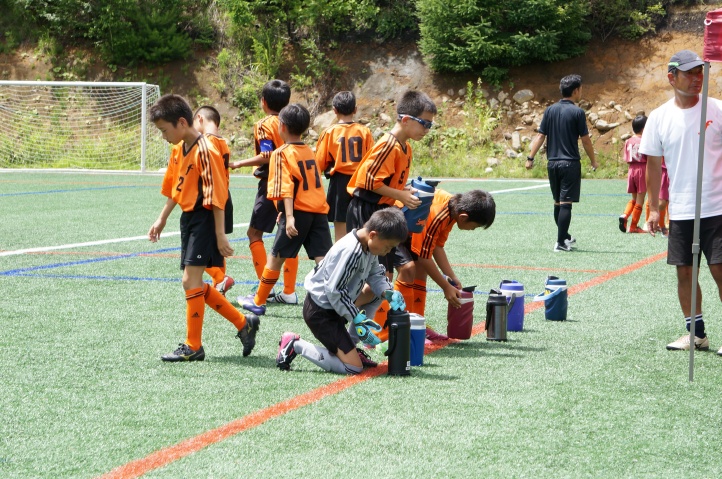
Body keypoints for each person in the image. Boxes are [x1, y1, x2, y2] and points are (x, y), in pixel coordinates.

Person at [148, 94, 259, 362]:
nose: (163, 136)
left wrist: (220, 234)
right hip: (189, 219)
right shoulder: (180, 149)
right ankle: (243, 323)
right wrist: (162, 218)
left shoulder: (206, 150)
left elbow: (217, 194)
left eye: (164, 130)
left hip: (206, 218)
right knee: (193, 281)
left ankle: (194, 345)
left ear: (182, 122)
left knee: (190, 280)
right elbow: (175, 188)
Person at [642, 49, 722, 355]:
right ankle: (696, 334)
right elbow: (652, 164)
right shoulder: (659, 117)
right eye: (689, 73)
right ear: (671, 77)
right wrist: (653, 208)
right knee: (685, 272)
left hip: (717, 207)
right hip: (682, 210)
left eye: (700, 72)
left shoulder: (717, 109)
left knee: (719, 268)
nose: (697, 78)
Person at [345, 90, 437, 338]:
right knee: (376, 283)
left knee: (405, 268)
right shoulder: (387, 145)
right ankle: (337, 311)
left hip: (384, 212)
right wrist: (400, 196)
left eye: (430, 125)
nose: (427, 129)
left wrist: (403, 191)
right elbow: (367, 182)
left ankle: (391, 327)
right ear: (405, 119)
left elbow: (387, 182)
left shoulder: (405, 147)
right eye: (425, 123)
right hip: (367, 211)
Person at [275, 208, 408, 374]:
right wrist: (357, 318)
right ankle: (295, 344)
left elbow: (375, 275)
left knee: (375, 292)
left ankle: (350, 347)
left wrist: (388, 292)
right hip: (321, 312)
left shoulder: (368, 245)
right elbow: (335, 291)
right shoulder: (351, 251)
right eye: (388, 247)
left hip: (336, 305)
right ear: (373, 235)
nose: (387, 252)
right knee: (353, 368)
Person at [240, 103, 333, 316]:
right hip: (319, 211)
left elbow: (286, 187)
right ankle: (332, 302)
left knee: (276, 257)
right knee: (323, 260)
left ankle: (258, 301)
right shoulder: (309, 151)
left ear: (281, 126)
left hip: (298, 212)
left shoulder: (281, 153)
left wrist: (288, 216)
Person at [228, 79, 300, 304]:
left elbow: (267, 155)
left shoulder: (264, 124)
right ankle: (289, 291)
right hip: (294, 181)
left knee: (254, 234)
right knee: (290, 234)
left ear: (263, 102)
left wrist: (239, 163)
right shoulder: (293, 121)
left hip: (273, 182)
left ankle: (265, 289)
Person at [526, 74, 599, 252]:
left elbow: (540, 136)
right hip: (570, 163)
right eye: (580, 89)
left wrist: (530, 158)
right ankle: (560, 242)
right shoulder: (578, 112)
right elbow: (586, 140)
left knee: (558, 203)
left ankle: (564, 236)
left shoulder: (549, 110)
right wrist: (593, 161)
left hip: (552, 163)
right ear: (575, 91)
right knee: (566, 203)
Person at [408, 189, 496, 326]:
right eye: (474, 226)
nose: (472, 230)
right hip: (391, 226)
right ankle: (403, 324)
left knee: (420, 270)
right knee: (406, 270)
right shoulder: (439, 215)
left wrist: (452, 277)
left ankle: (417, 322)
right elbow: (423, 257)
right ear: (463, 217)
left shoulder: (453, 209)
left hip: (408, 230)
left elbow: (437, 246)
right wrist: (446, 287)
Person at [315, 91, 374, 242]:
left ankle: (342, 257)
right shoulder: (365, 131)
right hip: (360, 183)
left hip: (339, 185)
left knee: (340, 234)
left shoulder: (329, 132)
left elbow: (319, 163)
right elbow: (372, 160)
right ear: (355, 109)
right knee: (363, 228)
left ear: (334, 110)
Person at [193, 105, 235, 295]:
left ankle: (220, 278)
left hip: (211, 196)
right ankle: (220, 284)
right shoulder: (222, 141)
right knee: (217, 246)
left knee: (195, 248)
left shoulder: (206, 141)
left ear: (200, 118)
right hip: (225, 194)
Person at [618, 115, 648, 234]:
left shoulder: (629, 141)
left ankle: (625, 215)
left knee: (634, 199)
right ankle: (633, 226)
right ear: (644, 129)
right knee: (640, 199)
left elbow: (626, 158)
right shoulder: (644, 141)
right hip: (642, 168)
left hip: (631, 169)